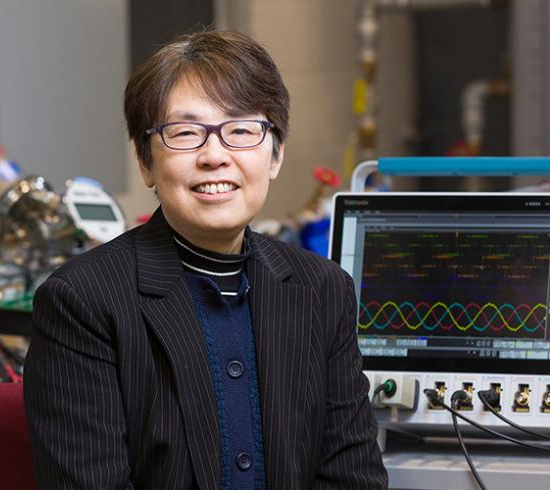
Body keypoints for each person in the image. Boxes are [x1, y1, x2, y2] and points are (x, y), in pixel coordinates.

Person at [23, 30, 387, 489]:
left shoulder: (322, 289)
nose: (215, 155)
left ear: (275, 155)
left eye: (240, 131)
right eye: (185, 133)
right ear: (145, 161)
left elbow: (352, 478)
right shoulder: (82, 301)